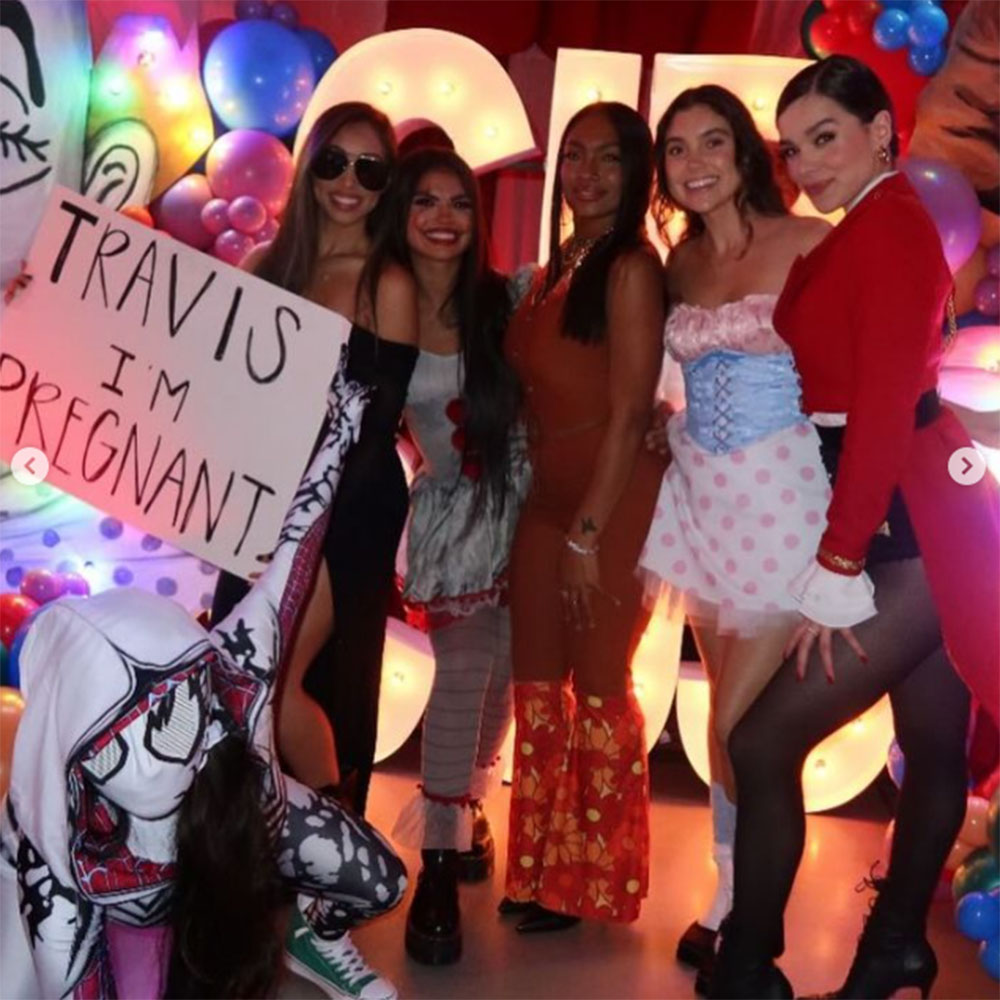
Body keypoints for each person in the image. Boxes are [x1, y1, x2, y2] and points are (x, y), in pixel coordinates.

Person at [710, 55, 1000, 999]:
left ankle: (748, 966)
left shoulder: (889, 231)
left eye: (825, 137)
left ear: (883, 130)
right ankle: (894, 952)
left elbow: (879, 410)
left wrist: (836, 566)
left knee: (760, 744)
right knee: (934, 736)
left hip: (910, 513)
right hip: (911, 504)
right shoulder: (871, 227)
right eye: (792, 150)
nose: (806, 164)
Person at [0, 363, 407, 1000]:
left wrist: (340, 430)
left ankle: (315, 939)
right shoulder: (52, 840)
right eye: (132, 729)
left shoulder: (234, 674)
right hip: (108, 890)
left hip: (246, 828)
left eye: (185, 707)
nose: (185, 738)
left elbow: (297, 549)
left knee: (381, 881)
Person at [637, 85, 831, 973]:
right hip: (699, 502)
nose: (695, 163)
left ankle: (742, 909)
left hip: (781, 502)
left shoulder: (810, 243)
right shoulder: (677, 264)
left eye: (713, 142)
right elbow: (676, 373)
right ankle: (730, 891)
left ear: (747, 153)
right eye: (676, 149)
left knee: (737, 728)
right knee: (720, 715)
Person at [211, 102, 419, 813]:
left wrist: (299, 519)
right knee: (242, 678)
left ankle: (335, 863)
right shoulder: (265, 268)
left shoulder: (385, 283)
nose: (349, 182)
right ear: (308, 170)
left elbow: (375, 422)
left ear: (387, 182)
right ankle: (274, 861)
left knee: (276, 673)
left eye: (370, 168)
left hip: (346, 504)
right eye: (333, 161)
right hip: (261, 497)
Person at [500, 101, 666, 933]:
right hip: (545, 497)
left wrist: (587, 535)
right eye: (573, 155)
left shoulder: (633, 267)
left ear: (636, 174)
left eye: (607, 158)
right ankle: (532, 869)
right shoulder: (562, 260)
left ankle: (591, 884)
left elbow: (634, 413)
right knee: (534, 680)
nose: (587, 173)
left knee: (599, 684)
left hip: (612, 501)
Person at [382, 148, 530, 964]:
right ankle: (436, 862)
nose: (444, 219)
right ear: (400, 213)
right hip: (452, 514)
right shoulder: (382, 304)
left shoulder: (507, 298)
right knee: (466, 667)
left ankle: (469, 805)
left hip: (531, 507)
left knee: (503, 670)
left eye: (460, 204)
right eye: (425, 203)